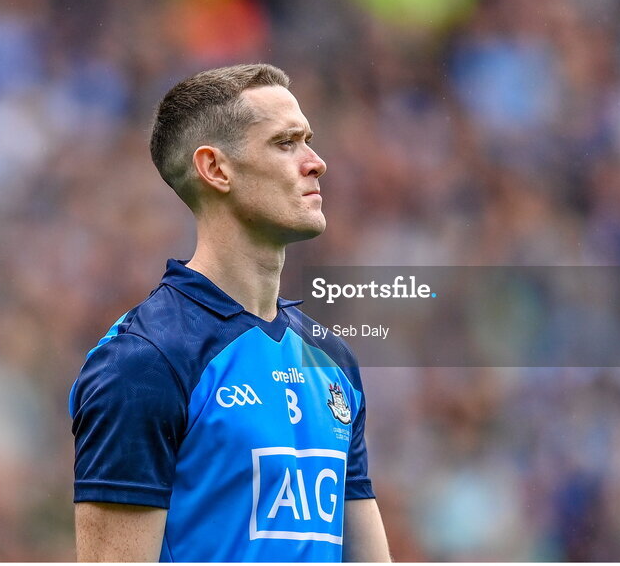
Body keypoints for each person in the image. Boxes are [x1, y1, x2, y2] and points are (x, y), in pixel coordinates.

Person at [69, 64, 390, 562]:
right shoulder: (145, 362)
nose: (316, 162)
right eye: (286, 143)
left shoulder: (332, 362)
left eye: (309, 140)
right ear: (216, 169)